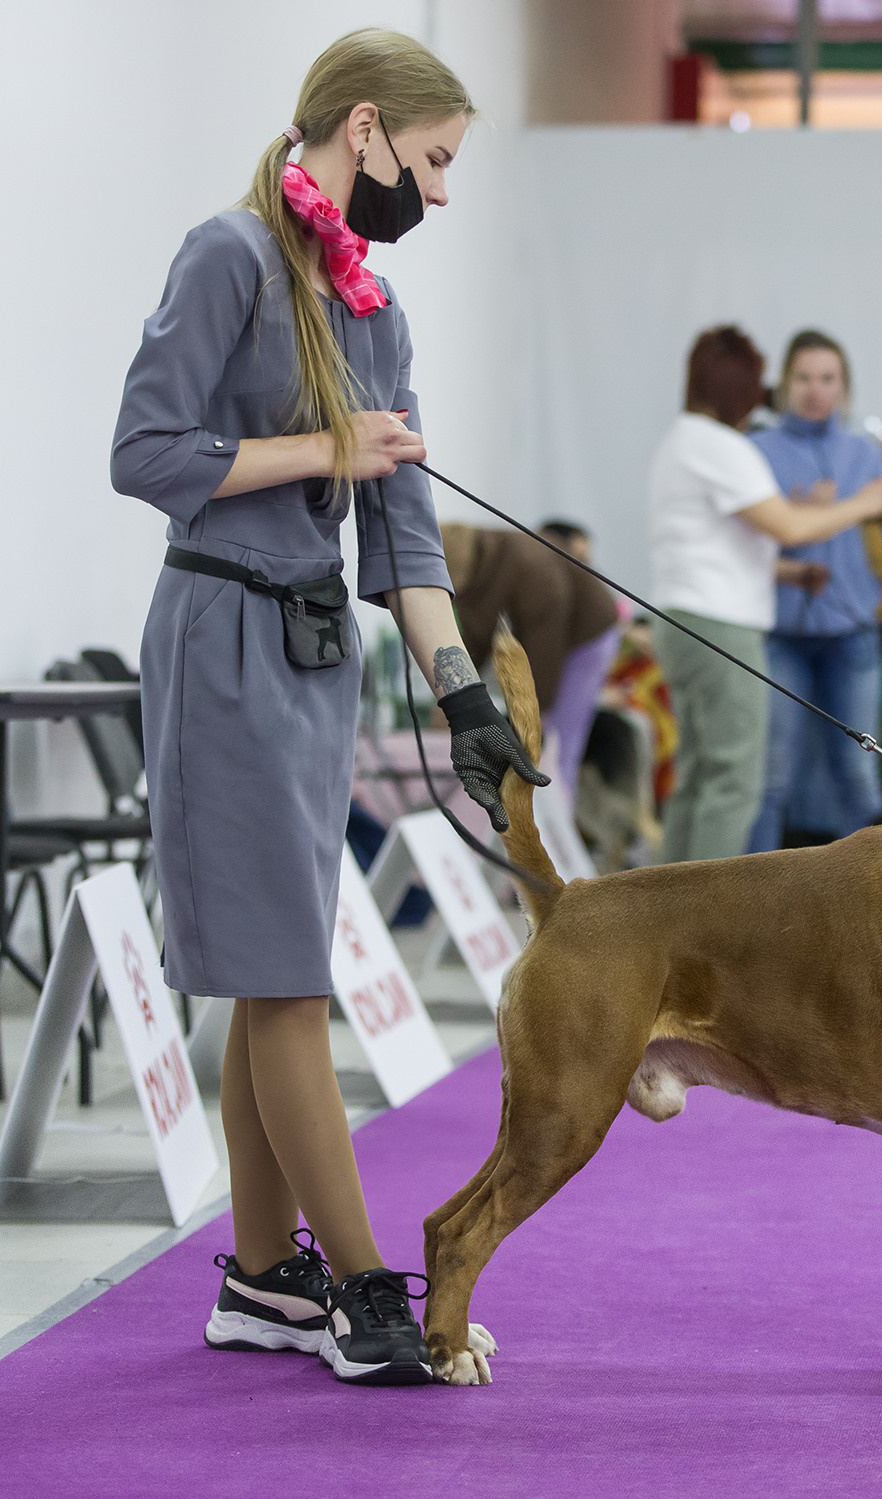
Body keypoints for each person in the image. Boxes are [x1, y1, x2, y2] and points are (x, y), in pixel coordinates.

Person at [110, 29, 545, 1386]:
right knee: (290, 978)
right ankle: (362, 1287)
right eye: (433, 161)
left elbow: (406, 541)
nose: (441, 191)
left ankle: (260, 1274)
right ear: (362, 130)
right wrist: (325, 446)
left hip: (313, 657)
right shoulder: (227, 256)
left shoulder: (375, 310)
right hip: (220, 629)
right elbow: (145, 451)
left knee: (273, 961)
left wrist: (466, 697)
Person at [648, 326, 882, 863]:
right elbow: (787, 528)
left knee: (702, 772)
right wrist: (864, 503)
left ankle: (670, 913)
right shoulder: (724, 447)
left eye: (827, 379)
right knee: (738, 780)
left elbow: (746, 537)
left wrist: (795, 553)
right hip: (724, 626)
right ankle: (715, 918)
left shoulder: (683, 439)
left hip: (690, 620)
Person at [747, 330, 882, 851]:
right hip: (780, 636)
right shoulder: (755, 450)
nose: (815, 390)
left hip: (853, 634)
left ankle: (874, 907)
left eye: (827, 378)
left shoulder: (864, 453)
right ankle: (752, 912)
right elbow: (744, 546)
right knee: (770, 779)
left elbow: (881, 543)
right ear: (784, 384)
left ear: (844, 387)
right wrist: (800, 516)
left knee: (857, 774)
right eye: (804, 377)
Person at [441, 521, 618, 811]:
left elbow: (544, 651)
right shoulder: (470, 573)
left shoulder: (530, 567)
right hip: (548, 637)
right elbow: (472, 641)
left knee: (557, 743)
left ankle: (555, 831)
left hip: (588, 635)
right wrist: (449, 700)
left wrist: (528, 718)